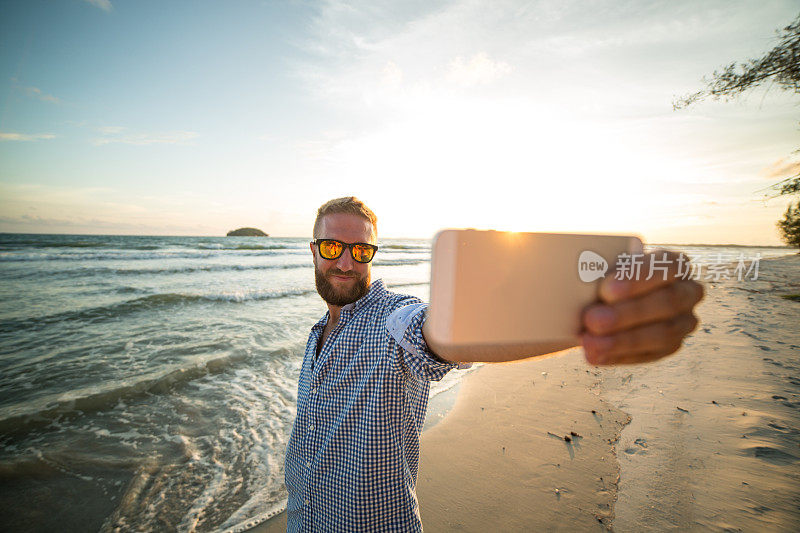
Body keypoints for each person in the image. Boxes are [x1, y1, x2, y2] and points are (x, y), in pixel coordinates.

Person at [284, 196, 703, 532]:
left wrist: (589, 322)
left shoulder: (390, 317)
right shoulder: (317, 332)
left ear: (371, 253)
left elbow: (439, 333)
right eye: (332, 247)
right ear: (314, 250)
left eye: (360, 249)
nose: (345, 262)